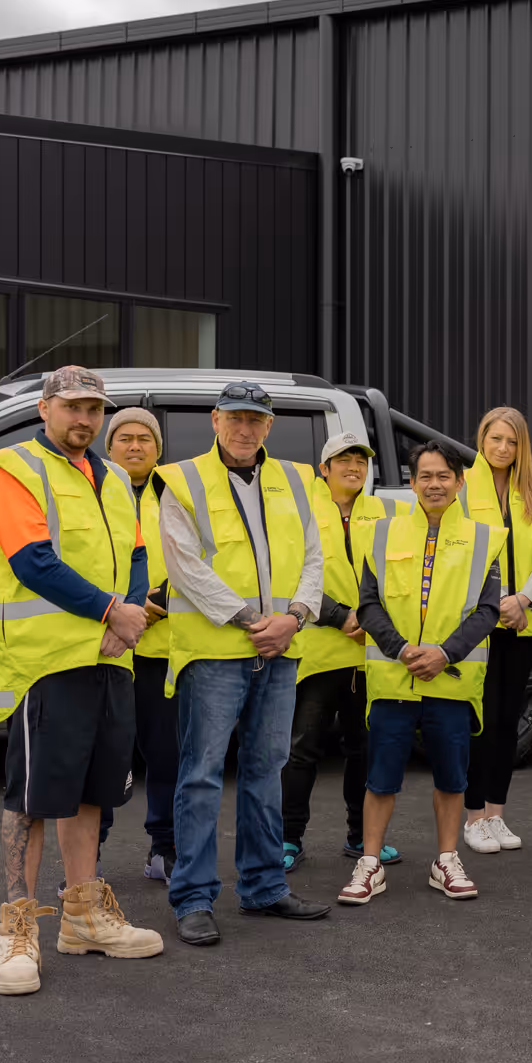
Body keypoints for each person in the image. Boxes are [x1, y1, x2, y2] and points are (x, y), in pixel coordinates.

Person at [0, 366, 162, 997]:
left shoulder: (113, 478)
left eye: (95, 409)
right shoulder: (11, 469)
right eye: (73, 407)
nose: (85, 419)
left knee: (94, 792)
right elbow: (33, 562)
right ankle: (17, 932)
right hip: (45, 660)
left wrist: (129, 617)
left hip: (109, 656)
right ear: (44, 408)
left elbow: (136, 555)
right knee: (32, 797)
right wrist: (114, 610)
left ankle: (83, 917)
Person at [156, 380, 333, 945]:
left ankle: (263, 886)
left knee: (265, 770)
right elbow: (183, 566)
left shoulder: (298, 480)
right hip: (215, 650)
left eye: (255, 419)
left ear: (269, 425)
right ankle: (193, 897)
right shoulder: (180, 480)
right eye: (234, 417)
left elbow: (313, 555)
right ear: (214, 420)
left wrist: (296, 616)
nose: (244, 428)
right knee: (202, 776)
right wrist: (249, 619)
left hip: (279, 648)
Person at [335, 443, 506, 905]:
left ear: (459, 482)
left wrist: (444, 655)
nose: (434, 484)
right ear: (411, 483)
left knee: (452, 777)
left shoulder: (485, 537)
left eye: (443, 476)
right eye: (425, 476)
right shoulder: (382, 533)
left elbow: (489, 610)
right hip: (394, 677)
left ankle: (446, 859)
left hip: (450, 680)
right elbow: (367, 603)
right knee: (381, 777)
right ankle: (370, 863)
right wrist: (402, 649)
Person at [280, 434, 399, 875]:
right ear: (323, 468)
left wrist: (369, 619)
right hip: (317, 648)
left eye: (360, 461)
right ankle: (288, 839)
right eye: (342, 459)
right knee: (302, 750)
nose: (353, 466)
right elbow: (293, 569)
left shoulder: (384, 512)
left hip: (368, 651)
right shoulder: (301, 507)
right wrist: (338, 615)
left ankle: (360, 837)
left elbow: (397, 569)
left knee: (364, 749)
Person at [457, 408, 532, 855]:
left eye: (512, 441)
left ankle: (496, 814)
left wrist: (523, 600)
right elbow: (455, 552)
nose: (503, 448)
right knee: (477, 723)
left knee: (506, 723)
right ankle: (473, 816)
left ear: (522, 447)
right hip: (478, 625)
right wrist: (492, 603)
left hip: (523, 621)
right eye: (495, 439)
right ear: (481, 440)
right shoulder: (461, 487)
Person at [103, 407, 179, 885]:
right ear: (108, 448)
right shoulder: (92, 492)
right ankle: (90, 855)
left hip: (159, 648)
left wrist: (158, 602)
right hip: (106, 648)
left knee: (165, 755)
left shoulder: (175, 494)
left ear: (158, 449)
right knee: (105, 757)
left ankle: (164, 850)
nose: (135, 446)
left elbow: (199, 554)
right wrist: (124, 606)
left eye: (145, 439)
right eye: (125, 438)